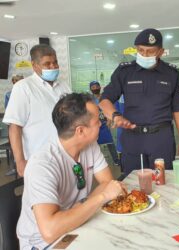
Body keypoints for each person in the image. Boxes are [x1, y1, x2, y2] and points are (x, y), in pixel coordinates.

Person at [17, 93, 127, 249]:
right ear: (80, 131)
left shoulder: (90, 146)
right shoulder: (42, 165)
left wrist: (80, 209)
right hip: (45, 244)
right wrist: (102, 196)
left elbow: (108, 183)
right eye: (97, 121)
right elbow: (50, 231)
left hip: (78, 225)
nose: (102, 124)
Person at [99, 28, 179, 174]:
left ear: (161, 51)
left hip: (161, 138)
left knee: (163, 182)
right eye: (141, 50)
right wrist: (115, 115)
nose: (145, 55)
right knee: (133, 183)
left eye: (151, 51)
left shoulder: (171, 73)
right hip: (133, 137)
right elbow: (105, 100)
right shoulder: (125, 72)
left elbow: (178, 109)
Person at [3, 44, 71, 176]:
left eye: (55, 62)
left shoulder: (64, 86)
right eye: (47, 64)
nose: (53, 66)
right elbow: (15, 126)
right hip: (39, 160)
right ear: (34, 65)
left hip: (67, 155)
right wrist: (20, 161)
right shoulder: (23, 87)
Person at [89, 80, 119, 165]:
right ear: (90, 89)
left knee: (110, 142)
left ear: (100, 87)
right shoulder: (90, 100)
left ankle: (116, 160)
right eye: (93, 87)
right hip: (95, 124)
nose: (95, 88)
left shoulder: (104, 97)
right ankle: (96, 163)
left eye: (96, 86)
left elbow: (110, 108)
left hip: (105, 123)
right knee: (95, 144)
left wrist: (109, 119)